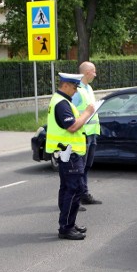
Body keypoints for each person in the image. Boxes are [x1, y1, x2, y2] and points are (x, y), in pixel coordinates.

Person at [46, 72, 96, 240]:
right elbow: (72, 127)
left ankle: (68, 223)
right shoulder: (62, 103)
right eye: (74, 87)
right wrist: (88, 112)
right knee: (74, 190)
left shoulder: (62, 101)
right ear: (65, 85)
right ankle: (66, 227)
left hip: (68, 153)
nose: (76, 91)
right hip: (70, 153)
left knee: (68, 189)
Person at [72, 61, 102, 206]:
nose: (95, 75)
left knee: (87, 166)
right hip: (82, 133)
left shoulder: (88, 88)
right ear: (86, 72)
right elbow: (72, 111)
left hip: (91, 133)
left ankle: (83, 194)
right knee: (80, 167)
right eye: (93, 71)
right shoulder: (76, 90)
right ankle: (77, 198)